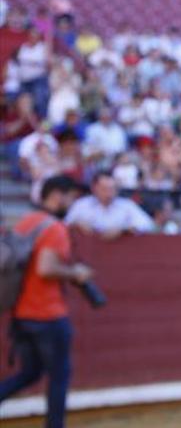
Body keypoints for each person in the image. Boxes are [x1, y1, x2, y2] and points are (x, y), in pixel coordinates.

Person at [0, 175, 94, 428]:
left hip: (22, 314)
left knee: (29, 372)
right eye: (70, 196)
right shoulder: (54, 228)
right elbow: (45, 268)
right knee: (59, 377)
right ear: (56, 195)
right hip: (48, 315)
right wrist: (75, 273)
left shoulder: (26, 222)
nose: (72, 202)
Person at [65, 171, 154, 238]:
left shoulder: (126, 206)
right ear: (93, 188)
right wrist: (77, 223)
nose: (108, 194)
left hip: (119, 253)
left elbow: (147, 225)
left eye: (112, 189)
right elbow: (65, 226)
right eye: (104, 189)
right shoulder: (81, 205)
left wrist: (123, 229)